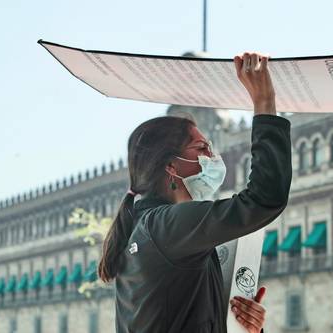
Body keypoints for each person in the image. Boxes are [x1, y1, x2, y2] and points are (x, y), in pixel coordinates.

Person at [98, 52, 292, 333]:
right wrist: (264, 102)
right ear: (171, 166)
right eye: (202, 149)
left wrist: (243, 325)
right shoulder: (168, 226)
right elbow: (265, 198)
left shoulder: (149, 229)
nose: (213, 157)